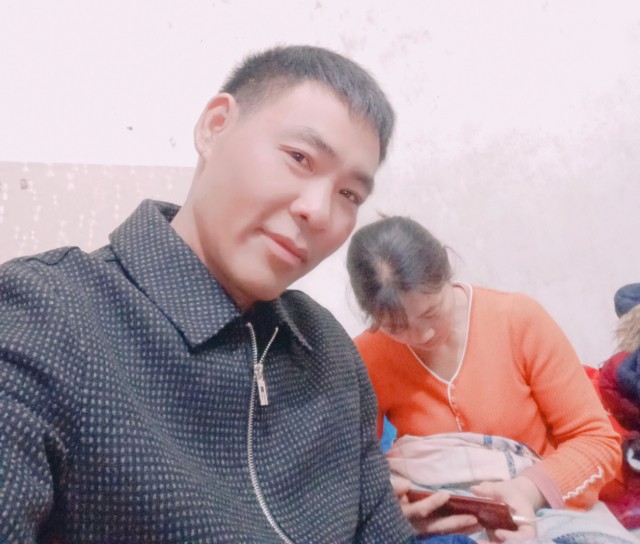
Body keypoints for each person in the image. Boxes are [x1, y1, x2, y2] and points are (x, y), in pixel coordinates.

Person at [0, 45, 437, 543]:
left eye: (349, 195)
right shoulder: (44, 316)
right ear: (214, 127)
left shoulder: (327, 349)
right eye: (299, 158)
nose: (319, 211)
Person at [346, 216, 634, 542]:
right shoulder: (365, 357)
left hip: (542, 508)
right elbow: (353, 469)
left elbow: (596, 441)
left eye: (431, 312)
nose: (422, 335)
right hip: (438, 524)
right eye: (396, 328)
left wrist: (527, 491)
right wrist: (396, 509)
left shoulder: (518, 321)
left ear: (446, 273)